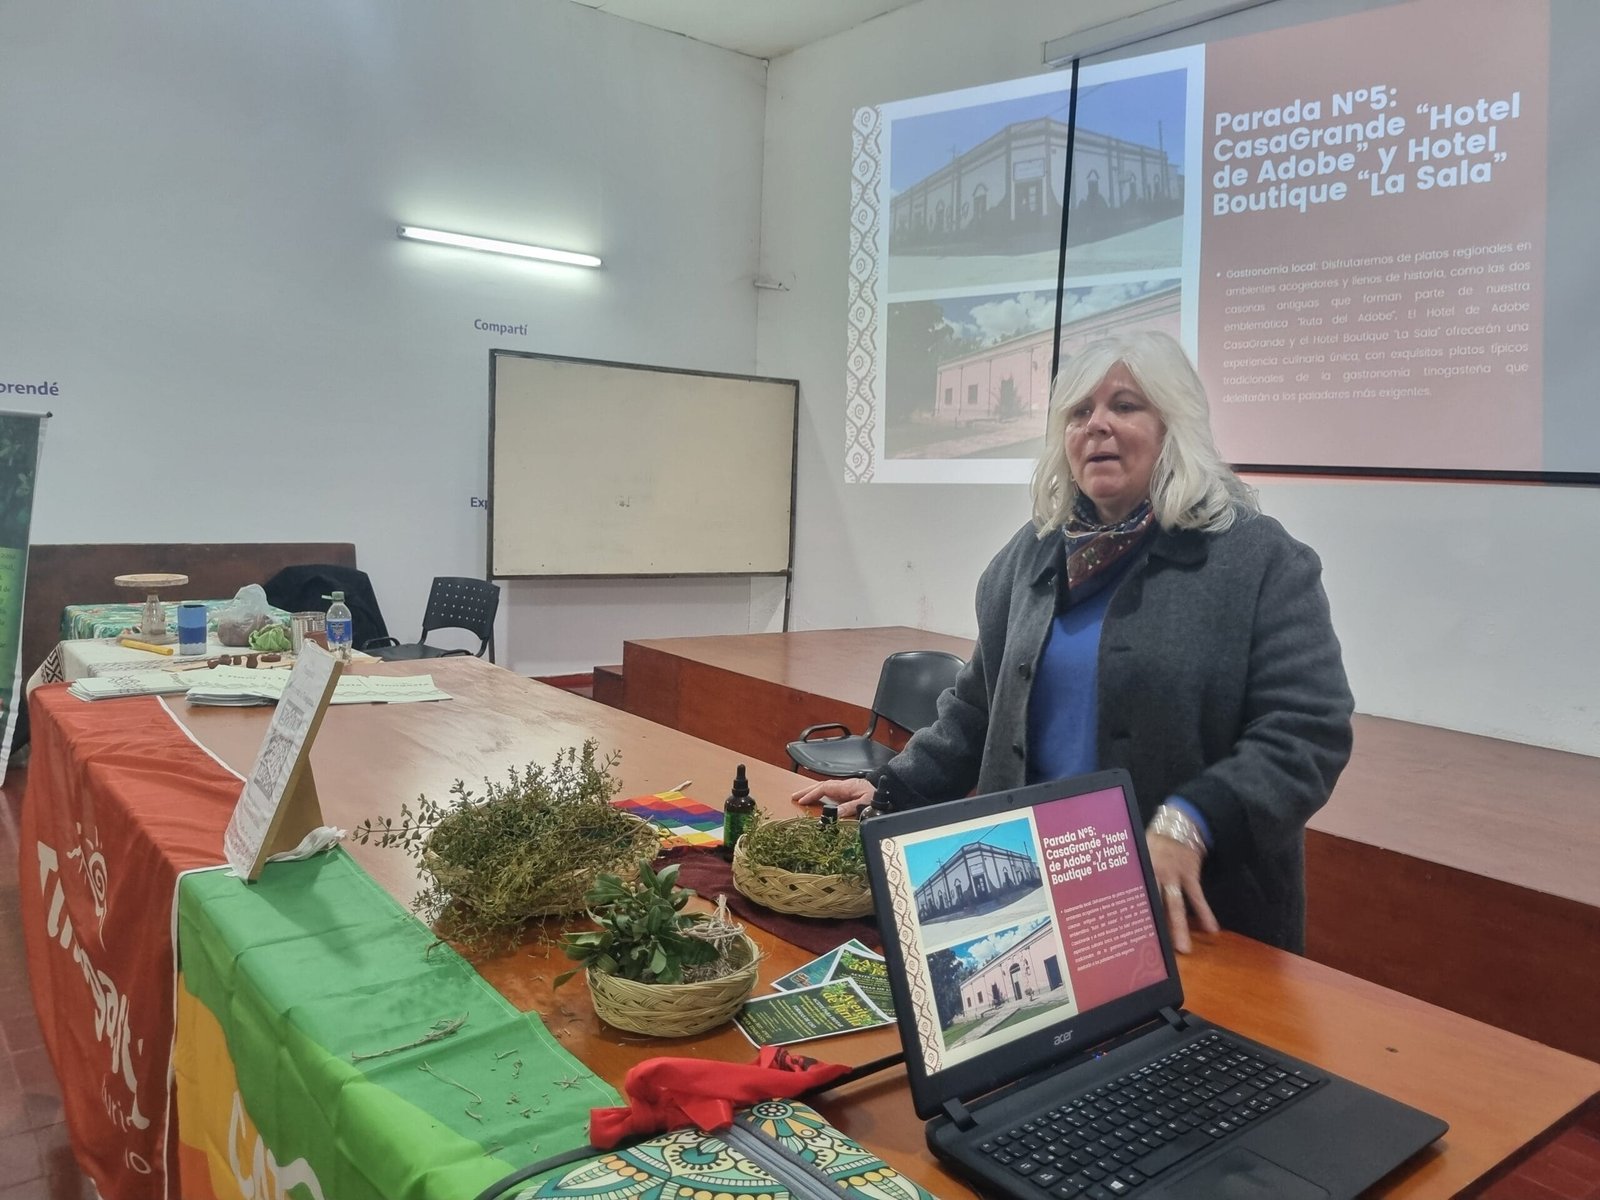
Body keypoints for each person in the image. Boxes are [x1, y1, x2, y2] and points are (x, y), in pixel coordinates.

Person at [793, 331, 1353, 954]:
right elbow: (978, 706)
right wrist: (892, 789)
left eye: (1126, 405)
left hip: (1195, 921)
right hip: (1036, 900)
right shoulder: (1029, 555)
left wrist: (1192, 822)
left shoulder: (1257, 559)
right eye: (1080, 412)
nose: (1098, 425)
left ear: (1175, 426)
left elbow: (1307, 729)